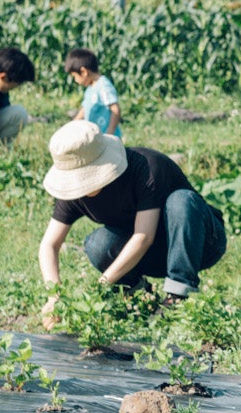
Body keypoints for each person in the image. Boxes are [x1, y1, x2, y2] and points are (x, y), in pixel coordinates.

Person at [37, 121, 226, 326]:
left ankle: (177, 297)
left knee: (180, 201)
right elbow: (49, 245)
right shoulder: (74, 192)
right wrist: (54, 297)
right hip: (151, 255)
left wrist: (101, 287)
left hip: (199, 243)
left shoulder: (146, 167)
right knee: (97, 245)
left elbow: (143, 237)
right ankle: (139, 293)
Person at [65, 47, 121, 138]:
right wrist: (72, 125)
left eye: (74, 76)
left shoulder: (103, 85)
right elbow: (84, 109)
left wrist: (109, 134)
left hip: (108, 140)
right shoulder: (90, 89)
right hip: (97, 139)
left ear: (83, 72)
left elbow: (115, 110)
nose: (75, 80)